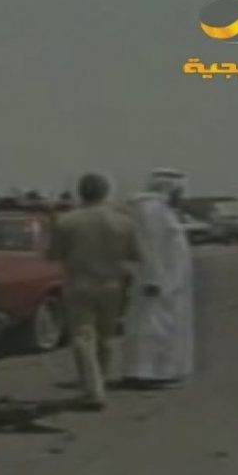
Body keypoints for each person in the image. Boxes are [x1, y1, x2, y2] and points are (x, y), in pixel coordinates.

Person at [47, 173, 140, 410]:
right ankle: (101, 381)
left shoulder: (67, 221)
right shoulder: (124, 221)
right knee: (107, 337)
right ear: (106, 192)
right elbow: (135, 254)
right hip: (112, 283)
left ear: (81, 192)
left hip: (79, 283)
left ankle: (92, 389)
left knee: (82, 336)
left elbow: (54, 254)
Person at [123, 168, 196, 386]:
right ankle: (147, 373)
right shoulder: (151, 209)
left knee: (163, 326)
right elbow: (150, 247)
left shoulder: (161, 209)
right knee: (152, 327)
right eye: (179, 192)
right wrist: (153, 277)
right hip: (158, 282)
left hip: (170, 282)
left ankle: (162, 371)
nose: (181, 197)